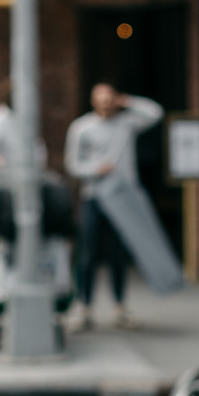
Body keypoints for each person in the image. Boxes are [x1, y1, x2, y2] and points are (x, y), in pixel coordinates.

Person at [64, 81, 161, 330]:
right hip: (94, 198)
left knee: (118, 254)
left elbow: (155, 113)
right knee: (88, 254)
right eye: (101, 99)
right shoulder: (82, 128)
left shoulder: (126, 123)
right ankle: (84, 307)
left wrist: (127, 101)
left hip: (122, 199)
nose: (106, 104)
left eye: (110, 99)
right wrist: (96, 170)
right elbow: (72, 165)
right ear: (93, 101)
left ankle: (120, 307)